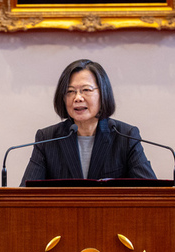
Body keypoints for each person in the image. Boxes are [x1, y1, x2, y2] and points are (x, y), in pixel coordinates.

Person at [20, 59, 156, 185]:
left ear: (103, 94)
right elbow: (25, 196)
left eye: (86, 90)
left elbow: (151, 192)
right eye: (70, 91)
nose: (77, 98)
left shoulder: (125, 137)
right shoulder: (47, 139)